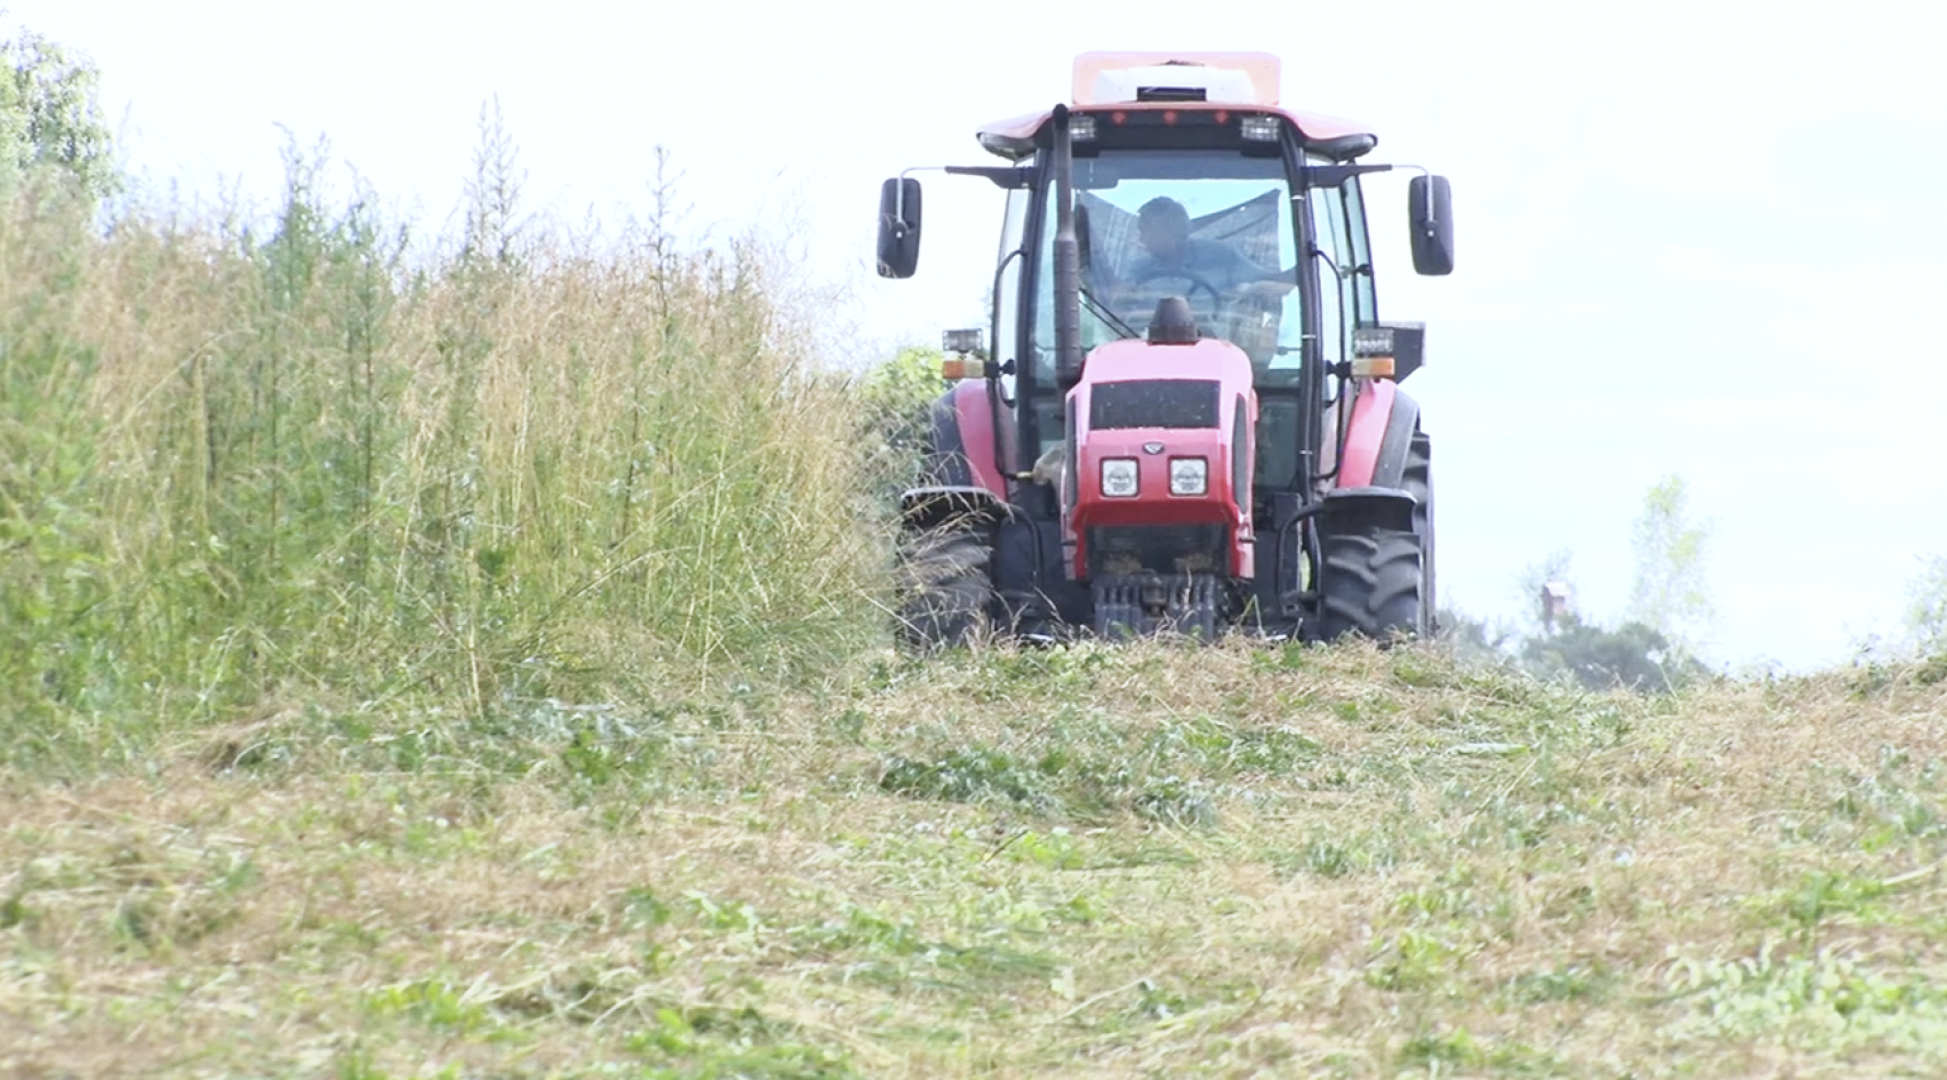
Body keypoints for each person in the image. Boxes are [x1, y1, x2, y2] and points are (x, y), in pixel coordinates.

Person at [1121, 197, 1291, 302]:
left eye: (1145, 230)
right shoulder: (1139, 270)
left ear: (1169, 230)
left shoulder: (1221, 257)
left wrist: (1253, 288)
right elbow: (1119, 304)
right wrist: (1125, 297)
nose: (1141, 238)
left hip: (1214, 348)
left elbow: (1273, 283)